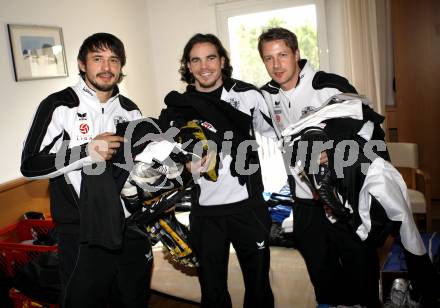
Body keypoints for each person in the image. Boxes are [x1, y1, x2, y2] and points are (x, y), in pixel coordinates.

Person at [20, 33, 151, 307]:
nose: (106, 67)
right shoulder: (59, 105)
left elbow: (137, 167)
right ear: (82, 64)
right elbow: (30, 164)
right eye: (98, 59)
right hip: (81, 233)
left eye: (113, 60)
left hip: (126, 228)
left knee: (131, 300)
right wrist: (86, 152)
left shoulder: (130, 110)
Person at [258, 27, 385, 307]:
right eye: (268, 58)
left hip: (342, 198)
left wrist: (336, 147)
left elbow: (369, 124)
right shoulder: (265, 96)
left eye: (282, 55)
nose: (276, 65)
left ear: (296, 54)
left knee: (360, 270)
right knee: (322, 275)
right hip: (305, 203)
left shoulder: (327, 84)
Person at [158, 33, 275, 308]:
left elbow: (279, 134)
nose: (204, 66)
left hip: (248, 208)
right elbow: (164, 159)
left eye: (210, 57)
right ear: (187, 66)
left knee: (259, 289)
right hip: (206, 213)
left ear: (222, 61)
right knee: (212, 293)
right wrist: (184, 165)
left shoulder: (248, 95)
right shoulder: (178, 107)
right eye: (195, 60)